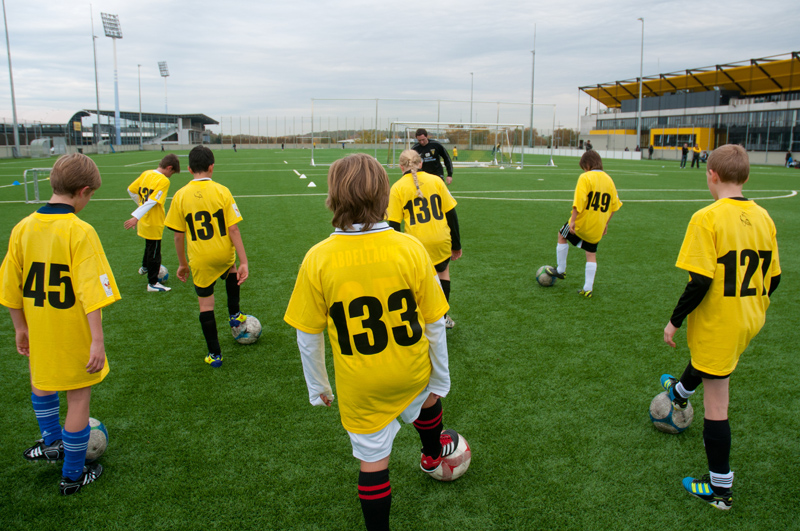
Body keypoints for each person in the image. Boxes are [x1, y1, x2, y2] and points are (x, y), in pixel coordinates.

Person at [285, 153, 458, 531]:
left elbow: (308, 334)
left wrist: (318, 386)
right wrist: (440, 377)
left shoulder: (317, 258)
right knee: (428, 399)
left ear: (333, 198)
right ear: (385, 196)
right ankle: (432, 454)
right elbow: (434, 322)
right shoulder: (410, 248)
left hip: (360, 384)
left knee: (374, 463)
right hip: (410, 370)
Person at [660, 144, 781, 510]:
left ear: (711, 174)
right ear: (746, 176)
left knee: (717, 403)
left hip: (720, 321)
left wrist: (674, 321)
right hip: (749, 317)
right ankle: (680, 391)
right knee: (713, 361)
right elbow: (774, 278)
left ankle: (719, 489)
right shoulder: (764, 216)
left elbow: (699, 282)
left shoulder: (706, 217)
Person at [0, 153, 121, 495]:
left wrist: (20, 328)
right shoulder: (79, 231)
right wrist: (97, 340)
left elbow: (9, 285)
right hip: (72, 332)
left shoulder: (23, 227)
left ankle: (52, 441)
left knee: (41, 382)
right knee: (78, 398)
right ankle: (72, 474)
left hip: (38, 328)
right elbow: (92, 292)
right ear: (84, 191)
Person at [165, 146, 251, 368]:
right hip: (223, 253)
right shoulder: (223, 191)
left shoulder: (180, 195)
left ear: (189, 169)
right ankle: (235, 314)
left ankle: (215, 355)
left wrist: (183, 265)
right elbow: (233, 229)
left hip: (200, 259)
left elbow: (178, 236)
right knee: (231, 270)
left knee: (206, 306)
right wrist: (243, 261)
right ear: (212, 167)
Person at [387, 149, 462, 329]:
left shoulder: (397, 188)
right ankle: (442, 318)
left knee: (417, 282)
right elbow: (451, 215)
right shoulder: (436, 180)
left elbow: (394, 225)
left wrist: (396, 251)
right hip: (440, 240)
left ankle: (417, 320)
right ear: (421, 163)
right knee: (443, 274)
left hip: (416, 244)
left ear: (401, 167)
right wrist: (456, 245)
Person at [545, 150, 622, 298]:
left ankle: (561, 270)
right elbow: (614, 206)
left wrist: (573, 220)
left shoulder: (585, 177)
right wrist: (606, 224)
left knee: (562, 235)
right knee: (591, 254)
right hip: (597, 226)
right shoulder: (609, 180)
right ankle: (588, 288)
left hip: (581, 223)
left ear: (587, 164)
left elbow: (578, 202)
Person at [124, 154, 180, 292]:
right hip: (154, 220)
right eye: (172, 173)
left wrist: (140, 206)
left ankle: (145, 266)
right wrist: (136, 216)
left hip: (145, 219)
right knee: (155, 251)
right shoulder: (163, 181)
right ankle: (153, 283)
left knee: (149, 245)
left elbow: (131, 190)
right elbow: (153, 200)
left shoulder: (146, 173)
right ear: (169, 168)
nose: (170, 176)